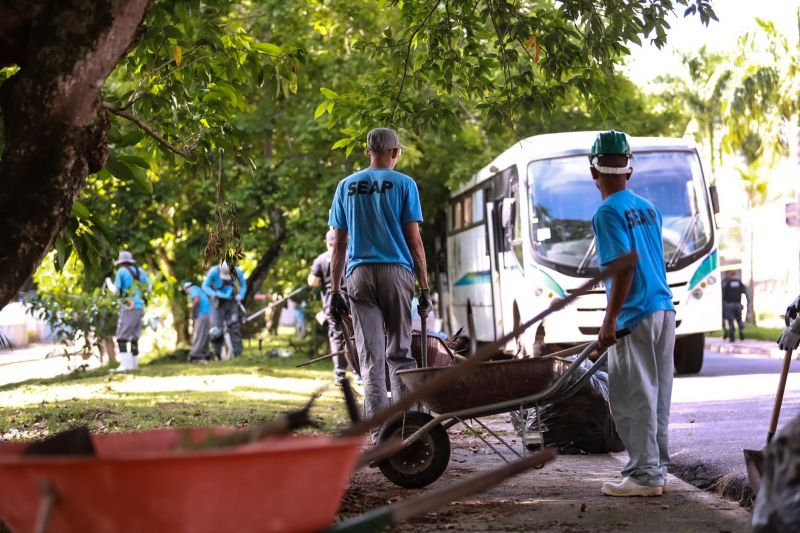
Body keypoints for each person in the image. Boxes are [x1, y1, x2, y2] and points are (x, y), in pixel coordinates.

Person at [328, 127, 431, 435]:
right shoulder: (405, 184)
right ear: (395, 152)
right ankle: (407, 429)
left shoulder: (346, 186)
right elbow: (414, 242)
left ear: (367, 152)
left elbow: (339, 245)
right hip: (396, 272)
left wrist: (335, 290)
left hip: (358, 275)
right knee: (400, 353)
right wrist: (424, 286)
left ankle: (379, 435)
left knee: (371, 356)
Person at [589, 130, 676, 497]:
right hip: (662, 308)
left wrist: (609, 319)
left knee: (631, 396)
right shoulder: (648, 208)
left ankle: (644, 477)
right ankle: (656, 470)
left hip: (634, 315)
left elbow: (623, 268)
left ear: (593, 172)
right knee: (656, 395)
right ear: (629, 170)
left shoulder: (607, 212)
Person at [309, 230, 352, 384]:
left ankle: (340, 374)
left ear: (327, 242)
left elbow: (312, 282)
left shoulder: (321, 259)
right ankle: (361, 373)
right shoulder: (350, 255)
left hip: (332, 303)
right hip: (353, 302)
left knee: (337, 338)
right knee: (357, 336)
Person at [112, 250, 151, 371]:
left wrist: (108, 283)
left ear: (121, 262)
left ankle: (126, 365)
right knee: (134, 336)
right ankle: (134, 365)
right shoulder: (140, 271)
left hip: (129, 307)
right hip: (140, 307)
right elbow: (149, 288)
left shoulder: (121, 271)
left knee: (122, 336)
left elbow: (115, 291)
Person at [202, 262, 247, 359]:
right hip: (218, 301)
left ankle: (238, 354)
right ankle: (218, 355)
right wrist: (214, 294)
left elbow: (243, 285)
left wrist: (241, 295)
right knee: (217, 328)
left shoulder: (238, 272)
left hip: (232, 301)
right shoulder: (213, 271)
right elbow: (205, 286)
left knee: (234, 325)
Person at [182, 280, 212, 362]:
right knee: (205, 334)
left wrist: (193, 311)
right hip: (207, 313)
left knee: (199, 334)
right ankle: (206, 355)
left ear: (185, 288)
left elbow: (196, 300)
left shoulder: (192, 289)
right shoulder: (197, 289)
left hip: (203, 313)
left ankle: (194, 355)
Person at [721, 270, 748, 342]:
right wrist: (747, 301)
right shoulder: (739, 282)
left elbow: (722, 294)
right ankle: (741, 331)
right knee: (739, 319)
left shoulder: (726, 282)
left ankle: (732, 336)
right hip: (738, 304)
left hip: (728, 305)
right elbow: (745, 291)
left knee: (731, 321)